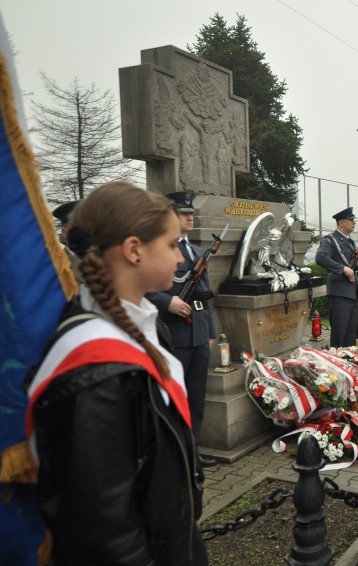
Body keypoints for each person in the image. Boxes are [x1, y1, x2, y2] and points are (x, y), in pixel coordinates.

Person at [26, 182, 208, 565]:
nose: (180, 258)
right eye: (172, 244)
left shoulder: (146, 328)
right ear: (134, 250)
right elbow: (102, 532)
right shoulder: (96, 373)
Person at [147, 191, 218, 468]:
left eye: (191, 213)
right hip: (173, 333)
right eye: (183, 213)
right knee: (173, 396)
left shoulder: (198, 251)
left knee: (196, 397)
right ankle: (171, 455)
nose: (190, 217)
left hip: (199, 334)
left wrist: (211, 332)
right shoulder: (157, 248)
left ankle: (191, 451)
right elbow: (142, 287)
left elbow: (206, 295)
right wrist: (168, 302)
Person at [316, 207, 358, 347]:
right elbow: (321, 257)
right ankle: (338, 365)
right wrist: (342, 269)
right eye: (351, 220)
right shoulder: (331, 240)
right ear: (341, 223)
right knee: (339, 336)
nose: (354, 223)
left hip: (352, 292)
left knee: (351, 335)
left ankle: (349, 364)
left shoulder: (351, 242)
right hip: (339, 292)